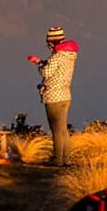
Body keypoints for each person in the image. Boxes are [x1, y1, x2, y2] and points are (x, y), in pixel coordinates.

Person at [27, 26, 78, 167]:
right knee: (63, 129)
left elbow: (46, 72)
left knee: (56, 129)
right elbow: (53, 68)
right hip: (66, 95)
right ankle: (66, 159)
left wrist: (39, 65)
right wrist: (40, 61)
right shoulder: (69, 56)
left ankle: (57, 159)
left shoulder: (57, 56)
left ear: (52, 42)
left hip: (54, 96)